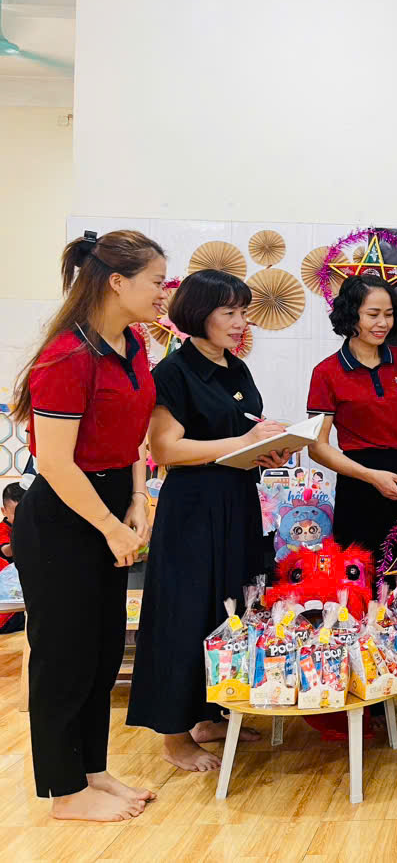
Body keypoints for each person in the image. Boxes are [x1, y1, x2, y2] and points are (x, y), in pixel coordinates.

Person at [9, 229, 165, 821]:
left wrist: (137, 499)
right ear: (117, 282)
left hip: (111, 502)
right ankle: (64, 792)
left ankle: (92, 771)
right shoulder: (66, 357)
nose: (163, 292)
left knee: (101, 652)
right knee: (63, 657)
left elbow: (133, 432)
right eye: (156, 281)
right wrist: (108, 525)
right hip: (63, 516)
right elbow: (54, 463)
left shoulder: (133, 343)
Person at [126, 270, 290, 772]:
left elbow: (241, 433)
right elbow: (165, 450)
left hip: (237, 500)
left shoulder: (235, 368)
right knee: (186, 613)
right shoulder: (174, 372)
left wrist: (267, 449)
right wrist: (241, 443)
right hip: (193, 509)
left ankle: (207, 714)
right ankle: (174, 737)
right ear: (199, 314)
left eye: (244, 312)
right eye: (229, 312)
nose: (241, 322)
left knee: (229, 608)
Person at [307, 275, 397, 552]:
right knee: (360, 568)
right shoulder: (326, 372)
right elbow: (317, 448)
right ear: (350, 315)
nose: (383, 323)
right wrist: (371, 476)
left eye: (388, 315)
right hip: (359, 481)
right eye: (373, 314)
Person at [0, 482, 27, 633]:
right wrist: (20, 536)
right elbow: (7, 551)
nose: (21, 519)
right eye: (16, 514)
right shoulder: (3, 529)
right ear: (4, 511)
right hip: (7, 600)